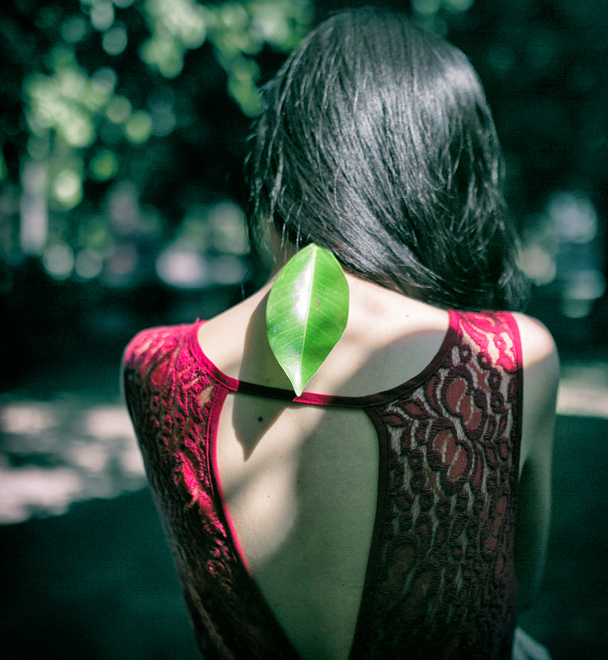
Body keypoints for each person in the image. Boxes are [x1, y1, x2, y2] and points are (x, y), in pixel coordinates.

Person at [123, 8, 558, 660]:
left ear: (284, 161)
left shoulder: (153, 365)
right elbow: (521, 586)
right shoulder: (510, 358)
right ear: (447, 176)